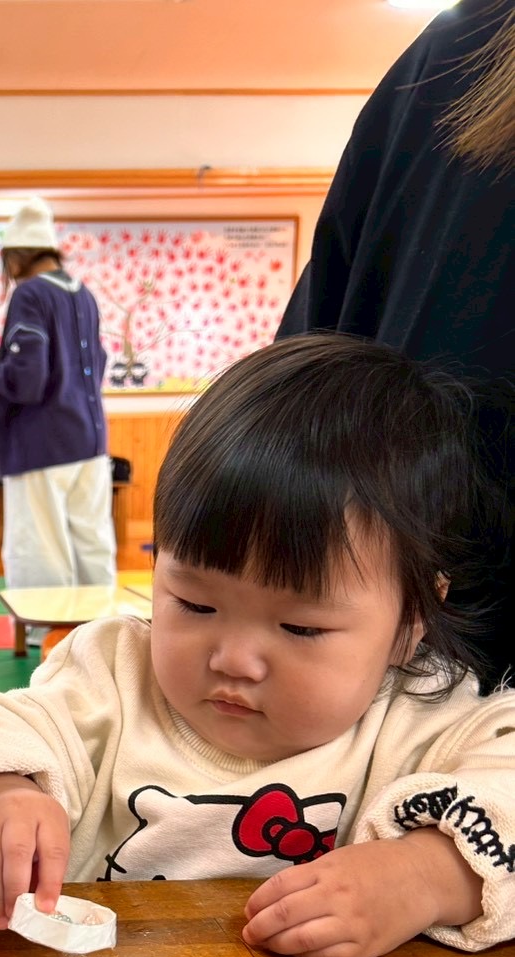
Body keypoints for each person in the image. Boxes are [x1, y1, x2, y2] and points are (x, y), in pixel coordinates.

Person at [0, 335, 515, 957]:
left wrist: (426, 874)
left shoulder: (417, 719)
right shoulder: (115, 673)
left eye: (300, 627)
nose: (233, 660)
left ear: (411, 620)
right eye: (195, 605)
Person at [276, 0, 515, 691]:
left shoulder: (453, 50)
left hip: (415, 637)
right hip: (404, 643)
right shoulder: (460, 51)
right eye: (191, 603)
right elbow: (301, 386)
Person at [0, 196, 116, 598]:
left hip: (41, 442)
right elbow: (97, 361)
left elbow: (28, 376)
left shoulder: (30, 295)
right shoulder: (84, 295)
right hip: (90, 439)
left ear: (16, 256)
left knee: (40, 549)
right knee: (92, 543)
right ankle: (101, 625)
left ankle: (47, 628)